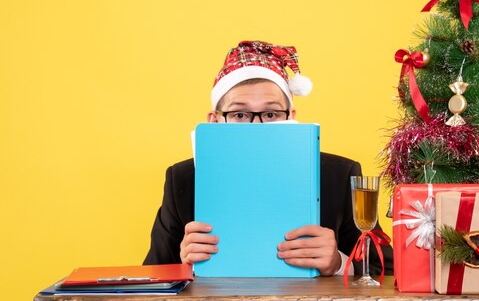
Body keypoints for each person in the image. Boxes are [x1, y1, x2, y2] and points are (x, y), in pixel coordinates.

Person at [143, 40, 393, 276]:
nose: (257, 127)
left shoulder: (340, 174)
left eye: (271, 113)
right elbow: (151, 274)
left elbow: (386, 270)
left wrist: (339, 263)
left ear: (291, 117)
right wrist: (183, 263)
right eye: (240, 114)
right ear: (215, 121)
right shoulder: (183, 179)